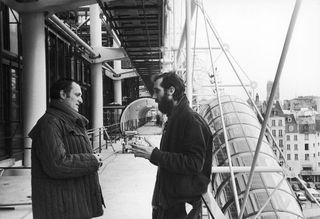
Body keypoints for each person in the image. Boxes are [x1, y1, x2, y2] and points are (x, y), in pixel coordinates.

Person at [131, 72, 213, 219]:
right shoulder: (175, 119)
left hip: (180, 208)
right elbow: (174, 161)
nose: (154, 97)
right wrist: (151, 154)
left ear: (171, 91)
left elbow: (194, 163)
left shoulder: (191, 121)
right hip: (170, 203)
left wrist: (155, 154)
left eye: (157, 91)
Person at [29, 79, 105, 219]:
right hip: (61, 210)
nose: (81, 100)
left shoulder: (68, 121)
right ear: (63, 94)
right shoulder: (50, 123)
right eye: (77, 95)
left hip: (73, 205)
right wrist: (92, 160)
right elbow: (57, 164)